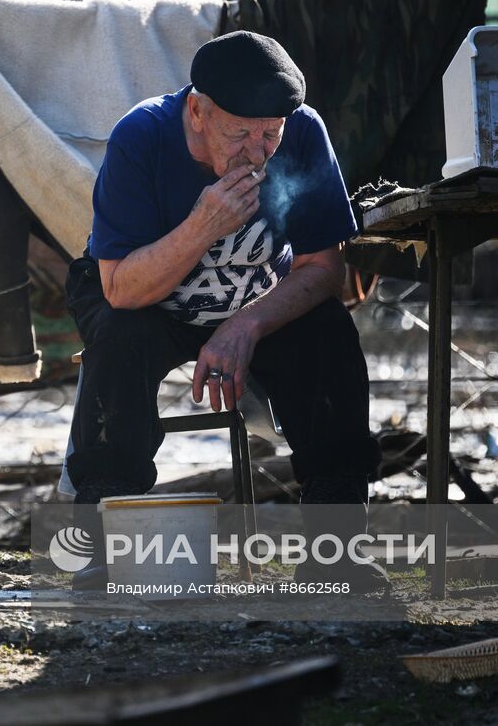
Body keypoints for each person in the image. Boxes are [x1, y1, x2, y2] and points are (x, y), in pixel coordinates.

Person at [65, 30, 384, 589]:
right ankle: (101, 540)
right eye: (241, 134)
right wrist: (202, 227)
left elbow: (323, 268)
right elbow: (119, 288)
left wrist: (247, 324)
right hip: (147, 304)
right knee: (118, 339)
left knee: (328, 333)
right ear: (197, 112)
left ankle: (337, 545)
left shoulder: (304, 133)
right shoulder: (141, 137)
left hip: (258, 296)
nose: (259, 152)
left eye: (271, 135)